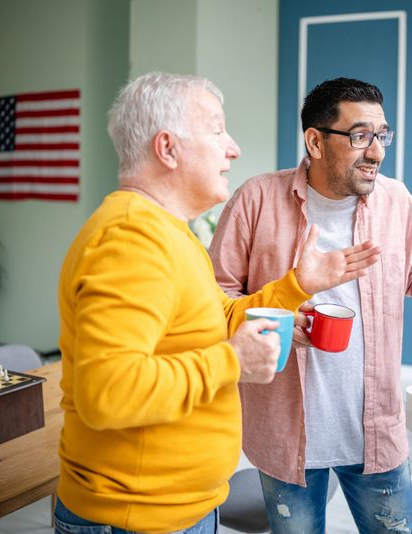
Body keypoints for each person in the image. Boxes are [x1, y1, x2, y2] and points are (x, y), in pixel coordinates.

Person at [54, 72, 380, 534]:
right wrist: (231, 361)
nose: (233, 147)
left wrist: (295, 287)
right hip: (135, 519)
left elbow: (216, 317)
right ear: (167, 149)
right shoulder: (130, 240)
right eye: (216, 129)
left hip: (176, 511)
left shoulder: (169, 231)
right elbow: (108, 394)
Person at [209, 77, 412, 533]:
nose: (376, 151)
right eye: (360, 136)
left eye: (382, 135)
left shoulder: (397, 202)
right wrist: (272, 317)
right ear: (315, 141)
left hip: (373, 430)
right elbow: (216, 294)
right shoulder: (256, 199)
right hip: (284, 431)